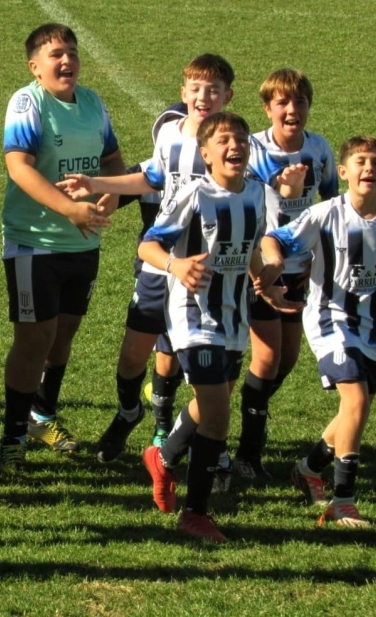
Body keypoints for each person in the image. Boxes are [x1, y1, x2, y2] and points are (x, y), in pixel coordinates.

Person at [59, 54, 243, 464]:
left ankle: (189, 438)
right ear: (183, 93)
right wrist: (96, 182)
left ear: (227, 96)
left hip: (208, 270)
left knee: (201, 361)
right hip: (161, 260)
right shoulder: (170, 135)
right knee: (132, 357)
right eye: (195, 89)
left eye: (213, 90)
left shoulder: (234, 144)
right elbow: (152, 178)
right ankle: (129, 411)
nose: (203, 97)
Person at [137, 111, 302, 542]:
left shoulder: (257, 194)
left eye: (241, 140)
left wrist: (266, 286)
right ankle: (195, 513)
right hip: (192, 316)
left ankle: (164, 455)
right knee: (217, 414)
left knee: (217, 398)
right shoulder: (194, 195)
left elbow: (248, 249)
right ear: (206, 153)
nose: (235, 146)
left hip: (232, 317)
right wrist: (177, 265)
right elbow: (149, 244)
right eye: (225, 140)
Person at [262, 136, 376, 527]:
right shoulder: (325, 214)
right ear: (343, 173)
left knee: (354, 412)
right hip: (330, 319)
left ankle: (308, 469)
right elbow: (276, 238)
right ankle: (344, 501)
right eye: (360, 161)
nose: (369, 168)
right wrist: (274, 263)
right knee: (356, 401)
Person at [0, 23, 124, 470]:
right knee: (35, 339)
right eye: (55, 54)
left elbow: (111, 160)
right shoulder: (27, 102)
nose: (66, 60)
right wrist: (67, 208)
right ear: (35, 66)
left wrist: (111, 192)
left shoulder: (92, 103)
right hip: (35, 244)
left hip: (84, 242)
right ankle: (13, 434)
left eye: (71, 52)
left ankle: (42, 415)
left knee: (64, 335)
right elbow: (18, 168)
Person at [233, 68, 338, 481]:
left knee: (287, 360)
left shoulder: (319, 149)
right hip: (262, 265)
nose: (292, 109)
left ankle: (238, 415)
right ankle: (246, 454)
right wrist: (285, 191)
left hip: (300, 270)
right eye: (283, 102)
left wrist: (321, 253)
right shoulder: (254, 150)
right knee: (269, 356)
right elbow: (248, 204)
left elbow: (333, 206)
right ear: (267, 108)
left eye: (300, 102)